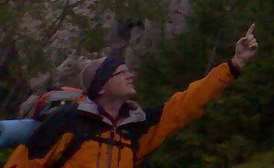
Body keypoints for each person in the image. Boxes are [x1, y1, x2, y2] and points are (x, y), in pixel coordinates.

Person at [3, 24, 259, 168]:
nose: (129, 76)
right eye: (120, 72)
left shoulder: (137, 125)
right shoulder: (67, 121)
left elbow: (187, 102)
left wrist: (234, 64)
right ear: (101, 87)